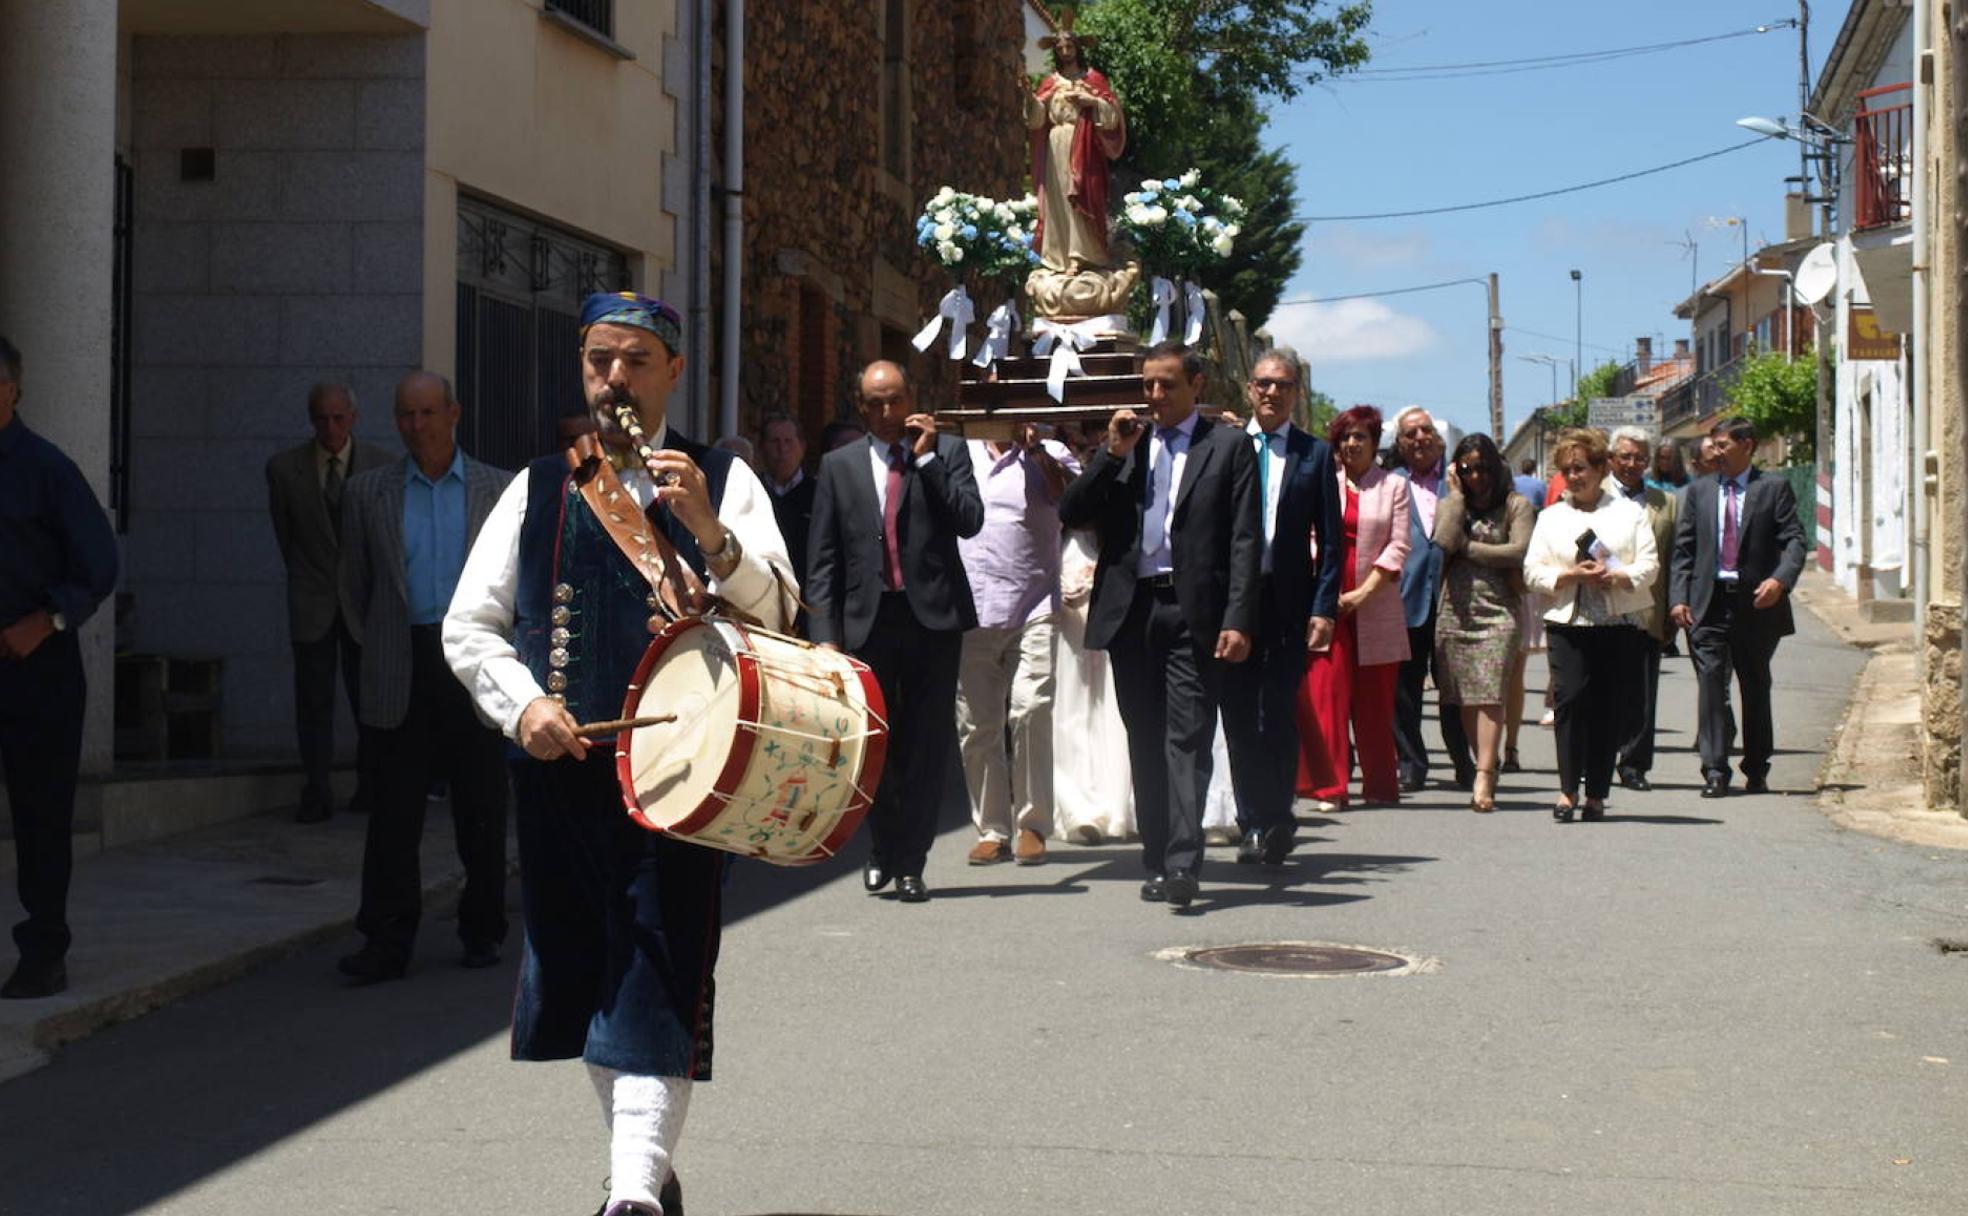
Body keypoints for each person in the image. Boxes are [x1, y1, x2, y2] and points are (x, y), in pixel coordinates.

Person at [444, 292, 795, 1216]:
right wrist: (522, 711)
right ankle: (645, 1165)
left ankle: (631, 1192)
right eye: (600, 360)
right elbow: (470, 626)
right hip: (563, 772)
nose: (614, 379)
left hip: (688, 774)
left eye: (635, 362)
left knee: (659, 965)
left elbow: (782, 618)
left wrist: (714, 534)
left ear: (674, 371)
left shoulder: (727, 479)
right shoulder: (538, 486)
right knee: (582, 969)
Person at [1058, 341, 1260, 910]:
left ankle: (1182, 862)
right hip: (1133, 612)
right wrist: (1110, 454)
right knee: (1144, 738)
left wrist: (1239, 617)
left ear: (1197, 385)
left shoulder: (1227, 446)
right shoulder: (1129, 447)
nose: (1154, 396)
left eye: (1166, 384)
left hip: (1194, 612)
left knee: (1187, 737)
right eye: (1147, 384)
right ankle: (1157, 855)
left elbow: (1245, 539)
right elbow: (1072, 512)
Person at [335, 372, 512, 984]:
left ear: (454, 414)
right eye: (405, 415)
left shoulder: (496, 489)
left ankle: (483, 926)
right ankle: (386, 939)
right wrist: (380, 645)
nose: (416, 426)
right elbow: (354, 590)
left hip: (475, 660)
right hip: (399, 660)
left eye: (428, 413)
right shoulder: (368, 493)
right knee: (392, 815)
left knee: (482, 805)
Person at [807, 361, 984, 903]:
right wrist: (824, 635)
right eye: (876, 404)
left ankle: (912, 862)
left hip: (931, 619)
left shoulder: (948, 453)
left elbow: (969, 520)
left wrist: (928, 459)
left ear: (913, 398)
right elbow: (823, 557)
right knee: (874, 744)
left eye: (896, 400)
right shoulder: (838, 466)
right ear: (861, 408)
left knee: (927, 746)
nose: (888, 414)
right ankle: (881, 848)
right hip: (868, 622)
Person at [0, 335, 118, 1000]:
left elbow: (98, 564)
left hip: (36, 668)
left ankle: (44, 951)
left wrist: (44, 621)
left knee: (41, 814)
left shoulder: (47, 469)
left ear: (14, 389)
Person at [1218, 352, 1339, 865]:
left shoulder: (1315, 455)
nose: (1272, 393)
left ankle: (1278, 816)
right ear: (1249, 390)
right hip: (1233, 604)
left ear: (1295, 394)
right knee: (1241, 715)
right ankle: (1251, 823)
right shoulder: (1224, 447)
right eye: (1263, 385)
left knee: (1279, 713)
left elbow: (1331, 540)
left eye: (1282, 386)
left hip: (1288, 601)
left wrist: (1324, 606)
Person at [266, 383, 391, 823]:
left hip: (363, 603)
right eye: (322, 418)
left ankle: (370, 784)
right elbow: (288, 538)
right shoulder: (284, 469)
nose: (331, 427)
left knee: (368, 699)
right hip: (313, 599)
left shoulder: (381, 466)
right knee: (313, 701)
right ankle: (316, 789)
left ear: (353, 418)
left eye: (339, 418)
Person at [955, 424, 1079, 866]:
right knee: (977, 724)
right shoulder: (961, 453)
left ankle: (1032, 823)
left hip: (1034, 604)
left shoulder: (1050, 452)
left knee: (1029, 708)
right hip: (972, 607)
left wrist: (1038, 450)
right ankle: (992, 829)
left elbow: (1075, 500)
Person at [1523, 428, 1658, 822]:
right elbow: (1532, 571)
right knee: (1569, 701)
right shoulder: (1550, 517)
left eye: (1580, 467)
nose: (1574, 476)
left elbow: (1649, 566)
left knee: (1606, 708)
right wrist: (1569, 577)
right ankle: (1567, 790)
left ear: (1601, 468)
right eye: (1567, 470)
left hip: (1617, 621)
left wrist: (1616, 576)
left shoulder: (1629, 513)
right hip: (1568, 622)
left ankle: (1596, 794)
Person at [1669, 418, 1807, 798]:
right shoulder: (1699, 492)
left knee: (1755, 684)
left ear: (1747, 445)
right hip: (1708, 605)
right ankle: (1714, 769)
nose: (1715, 451)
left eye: (1723, 444)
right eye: (1713, 445)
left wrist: (1780, 580)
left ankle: (1757, 767)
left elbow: (1794, 539)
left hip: (1756, 605)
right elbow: (1684, 550)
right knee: (1711, 686)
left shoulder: (1773, 488)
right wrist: (1678, 597)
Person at [1297, 407, 1411, 810]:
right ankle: (1332, 787)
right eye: (1344, 438)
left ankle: (1380, 785)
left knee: (1374, 702)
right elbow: (1310, 533)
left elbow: (1399, 545)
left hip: (1375, 601)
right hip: (1326, 598)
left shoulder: (1394, 486)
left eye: (1359, 437)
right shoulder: (1326, 481)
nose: (1350, 445)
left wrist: (1362, 594)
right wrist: (1323, 590)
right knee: (1326, 695)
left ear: (1374, 442)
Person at [1433, 433, 1533, 813]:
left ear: (1496, 467)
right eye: (1467, 469)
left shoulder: (1516, 505)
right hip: (1455, 610)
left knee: (1490, 693)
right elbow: (1442, 543)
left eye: (1482, 468)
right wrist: (1456, 500)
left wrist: (1470, 549)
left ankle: (1484, 775)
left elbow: (1518, 551)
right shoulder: (1452, 504)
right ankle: (1483, 763)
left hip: (1499, 609)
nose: (1476, 476)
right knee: (1462, 695)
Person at [1052, 421, 1134, 844]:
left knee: (1111, 707)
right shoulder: (1052, 465)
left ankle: (1115, 802)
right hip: (1065, 612)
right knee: (1071, 707)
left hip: (1109, 599)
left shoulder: (1122, 470)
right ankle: (1076, 804)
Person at [1389, 408, 1472, 790]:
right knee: (1404, 691)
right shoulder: (1390, 484)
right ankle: (1411, 762)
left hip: (1454, 600)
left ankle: (1463, 761)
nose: (1420, 438)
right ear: (1400, 445)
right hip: (1405, 601)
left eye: (1426, 431)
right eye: (1410, 434)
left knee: (1454, 689)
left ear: (1440, 442)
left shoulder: (1461, 485)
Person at [1607, 426, 1679, 791]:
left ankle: (1634, 764)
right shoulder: (1593, 496)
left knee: (1642, 691)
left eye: (1639, 457)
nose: (1632, 464)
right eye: (1625, 457)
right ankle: (1599, 758)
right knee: (1603, 689)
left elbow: (1674, 559)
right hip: (1601, 606)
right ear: (1611, 460)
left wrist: (1673, 609)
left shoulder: (1665, 503)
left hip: (1648, 607)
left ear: (1648, 462)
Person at [1026, 14, 1126, 273]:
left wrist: (1091, 101)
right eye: (1060, 48)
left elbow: (1112, 115)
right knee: (1058, 197)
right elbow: (1037, 121)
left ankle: (1083, 254)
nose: (1066, 52)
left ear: (1078, 49)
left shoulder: (1093, 79)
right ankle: (1059, 256)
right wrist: (1027, 96)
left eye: (1070, 47)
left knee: (1082, 194)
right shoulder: (1050, 83)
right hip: (1056, 143)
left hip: (1085, 144)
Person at [758, 414, 815, 587]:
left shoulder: (820, 494)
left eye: (788, 441)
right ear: (762, 448)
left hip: (807, 596)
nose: (782, 449)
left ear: (802, 447)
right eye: (774, 442)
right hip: (760, 590)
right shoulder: (751, 490)